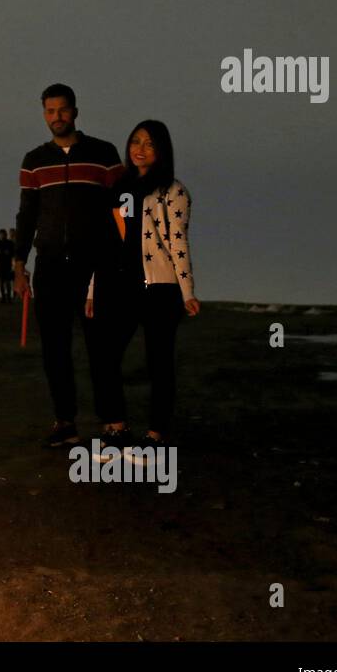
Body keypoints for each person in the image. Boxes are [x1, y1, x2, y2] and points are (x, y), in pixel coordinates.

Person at [13, 83, 124, 448]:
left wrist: (118, 260)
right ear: (43, 114)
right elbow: (27, 215)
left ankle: (113, 424)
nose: (56, 117)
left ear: (75, 111)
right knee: (55, 349)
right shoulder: (34, 160)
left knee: (101, 347)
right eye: (49, 111)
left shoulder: (103, 154)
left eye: (62, 110)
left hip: (93, 268)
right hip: (49, 267)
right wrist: (19, 264)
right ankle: (65, 423)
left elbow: (121, 210)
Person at [89, 121, 200, 445]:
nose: (140, 149)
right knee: (105, 355)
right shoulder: (117, 187)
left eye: (149, 144)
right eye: (136, 141)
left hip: (159, 287)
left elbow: (178, 243)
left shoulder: (173, 191)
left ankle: (156, 433)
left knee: (159, 362)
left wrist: (187, 290)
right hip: (117, 285)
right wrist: (92, 289)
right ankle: (116, 426)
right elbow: (105, 242)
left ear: (161, 150)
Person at [0, 229, 15, 303]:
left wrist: (9, 253)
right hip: (0, 265)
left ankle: (9, 298)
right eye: (1, 234)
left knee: (7, 282)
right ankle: (3, 298)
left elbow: (14, 252)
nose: (2, 236)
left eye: (3, 234)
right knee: (1, 281)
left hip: (8, 264)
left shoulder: (9, 243)